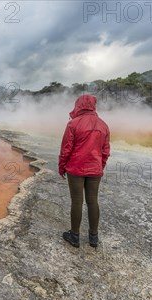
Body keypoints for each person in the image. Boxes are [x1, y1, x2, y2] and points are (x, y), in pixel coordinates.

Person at [58, 95, 110, 248]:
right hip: (95, 168)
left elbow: (66, 149)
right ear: (93, 105)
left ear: (78, 105)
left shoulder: (73, 124)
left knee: (77, 202)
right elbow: (105, 150)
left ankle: (74, 236)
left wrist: (62, 167)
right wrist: (100, 165)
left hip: (76, 168)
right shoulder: (103, 125)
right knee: (93, 201)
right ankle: (93, 238)